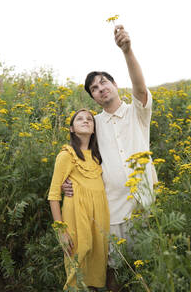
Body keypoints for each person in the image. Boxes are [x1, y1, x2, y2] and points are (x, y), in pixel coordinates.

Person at [62, 25, 157, 291]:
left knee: (145, 268)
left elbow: (140, 88)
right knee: (114, 272)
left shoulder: (137, 113)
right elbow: (80, 158)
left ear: (115, 85)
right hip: (112, 210)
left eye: (104, 82)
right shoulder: (93, 124)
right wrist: (67, 183)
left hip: (145, 206)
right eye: (94, 88)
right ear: (93, 97)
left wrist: (127, 50)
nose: (100, 88)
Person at [48, 109, 110, 291]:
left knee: (97, 267)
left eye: (89, 119)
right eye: (80, 119)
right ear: (72, 129)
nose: (85, 121)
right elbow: (53, 195)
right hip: (76, 216)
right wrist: (61, 231)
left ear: (94, 129)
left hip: (99, 218)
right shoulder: (66, 155)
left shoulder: (98, 156)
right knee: (77, 265)